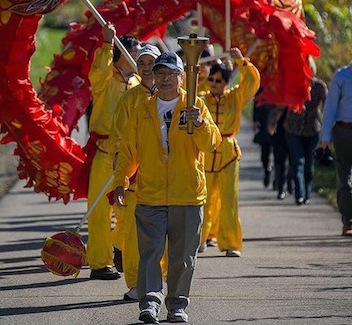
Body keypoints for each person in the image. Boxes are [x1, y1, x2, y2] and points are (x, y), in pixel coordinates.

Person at [113, 51, 222, 324]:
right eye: (159, 73)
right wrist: (120, 181)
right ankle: (149, 302)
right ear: (153, 76)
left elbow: (212, 143)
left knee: (182, 257)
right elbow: (128, 151)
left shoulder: (195, 105)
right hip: (150, 193)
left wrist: (198, 123)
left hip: (187, 194)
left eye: (170, 74)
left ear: (181, 77)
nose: (164, 79)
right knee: (149, 253)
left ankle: (177, 306)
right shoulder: (142, 110)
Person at [84, 23, 141, 280]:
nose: (139, 58)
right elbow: (97, 72)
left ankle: (119, 247)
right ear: (122, 54)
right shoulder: (105, 80)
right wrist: (107, 44)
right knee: (99, 211)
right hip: (104, 151)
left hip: (129, 155)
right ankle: (99, 263)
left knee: (130, 210)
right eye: (134, 52)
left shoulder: (140, 82)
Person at [108, 43, 161, 301]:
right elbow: (117, 137)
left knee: (161, 236)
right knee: (131, 234)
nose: (147, 68)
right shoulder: (129, 99)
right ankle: (135, 283)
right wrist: (122, 169)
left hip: (164, 180)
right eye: (142, 63)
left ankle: (158, 283)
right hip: (134, 179)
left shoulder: (173, 96)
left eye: (152, 63)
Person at [199, 48, 260, 256]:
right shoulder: (201, 98)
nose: (214, 84)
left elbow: (252, 82)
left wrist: (241, 62)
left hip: (228, 152)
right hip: (205, 152)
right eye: (212, 80)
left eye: (219, 80)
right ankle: (200, 238)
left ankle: (231, 243)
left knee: (229, 200)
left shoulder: (235, 97)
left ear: (226, 82)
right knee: (202, 199)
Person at [269, 57, 327, 205]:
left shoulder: (319, 86)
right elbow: (281, 105)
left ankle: (307, 193)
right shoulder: (293, 85)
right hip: (293, 129)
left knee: (309, 164)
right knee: (297, 162)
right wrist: (274, 122)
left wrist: (329, 126)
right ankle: (299, 194)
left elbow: (328, 107)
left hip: (312, 130)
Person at [320, 61, 352, 236]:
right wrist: (325, 138)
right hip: (343, 131)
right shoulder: (341, 76)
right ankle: (348, 220)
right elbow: (330, 107)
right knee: (344, 177)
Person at [252, 93, 274, 189]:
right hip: (264, 124)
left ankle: (278, 180)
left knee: (280, 155)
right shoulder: (262, 87)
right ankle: (267, 169)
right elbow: (256, 103)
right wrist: (256, 120)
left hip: (278, 126)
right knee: (264, 154)